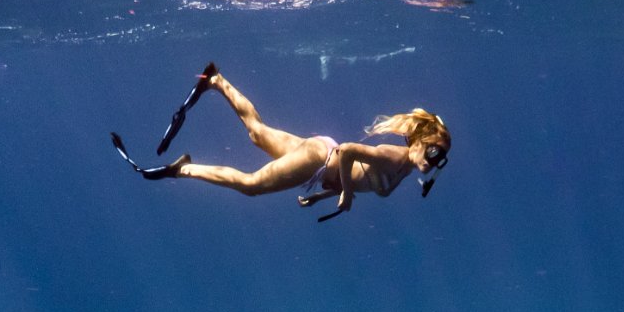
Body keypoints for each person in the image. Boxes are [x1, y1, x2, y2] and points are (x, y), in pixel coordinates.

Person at [112, 64, 450, 221]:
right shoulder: (394, 157)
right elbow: (347, 152)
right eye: (435, 152)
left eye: (441, 160)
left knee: (257, 133)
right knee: (250, 186)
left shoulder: (407, 170)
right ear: (418, 142)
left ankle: (216, 80)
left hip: (319, 158)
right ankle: (184, 169)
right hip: (320, 158)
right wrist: (345, 192)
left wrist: (322, 196)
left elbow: (356, 177)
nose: (434, 162)